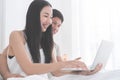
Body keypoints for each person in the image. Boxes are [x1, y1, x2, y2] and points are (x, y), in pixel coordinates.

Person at [0, 0, 93, 80]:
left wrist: (79, 72)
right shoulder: (17, 36)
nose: (49, 22)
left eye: (51, 17)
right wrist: (6, 75)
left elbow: (56, 72)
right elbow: (28, 68)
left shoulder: (49, 42)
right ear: (34, 16)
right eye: (46, 16)